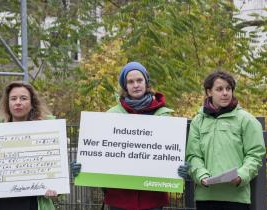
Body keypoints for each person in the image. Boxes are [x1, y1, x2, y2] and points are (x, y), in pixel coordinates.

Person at [73, 61, 187, 210]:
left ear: (146, 82)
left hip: (152, 199)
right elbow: (100, 152)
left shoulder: (164, 116)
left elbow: (171, 152)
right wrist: (83, 166)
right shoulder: (111, 116)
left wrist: (179, 167)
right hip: (119, 199)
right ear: (125, 86)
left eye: (139, 80)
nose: (136, 85)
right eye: (131, 81)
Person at [185, 71, 266, 210]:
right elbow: (193, 155)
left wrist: (241, 175)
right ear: (209, 92)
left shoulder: (247, 120)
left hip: (237, 198)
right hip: (206, 197)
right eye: (219, 89)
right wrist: (201, 175)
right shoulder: (198, 121)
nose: (225, 93)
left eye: (228, 89)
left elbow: (255, 154)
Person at [0, 81, 57, 210]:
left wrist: (55, 190)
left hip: (33, 204)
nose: (18, 102)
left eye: (23, 98)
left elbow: (55, 175)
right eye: (13, 98)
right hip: (0, 204)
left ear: (32, 104)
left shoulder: (47, 132)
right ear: (8, 104)